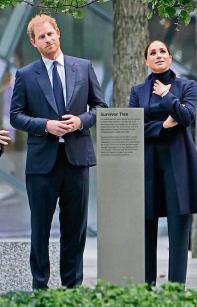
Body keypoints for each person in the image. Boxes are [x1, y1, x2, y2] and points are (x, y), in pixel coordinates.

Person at [9, 14, 107, 289]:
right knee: (40, 229)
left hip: (77, 160)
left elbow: (100, 107)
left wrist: (81, 121)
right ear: (34, 42)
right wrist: (45, 125)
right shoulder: (25, 75)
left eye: (50, 33)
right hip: (42, 165)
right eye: (41, 37)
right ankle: (40, 287)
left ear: (58, 33)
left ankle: (71, 289)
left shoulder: (83, 67)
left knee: (75, 230)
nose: (48, 39)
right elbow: (16, 116)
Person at [129, 40, 197, 286]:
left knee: (179, 231)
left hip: (179, 165)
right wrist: (163, 126)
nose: (158, 55)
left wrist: (167, 96)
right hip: (147, 165)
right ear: (146, 61)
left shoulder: (186, 86)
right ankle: (146, 289)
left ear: (170, 57)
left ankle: (176, 290)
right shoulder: (137, 91)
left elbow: (187, 117)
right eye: (152, 53)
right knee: (146, 228)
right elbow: (134, 127)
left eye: (162, 51)